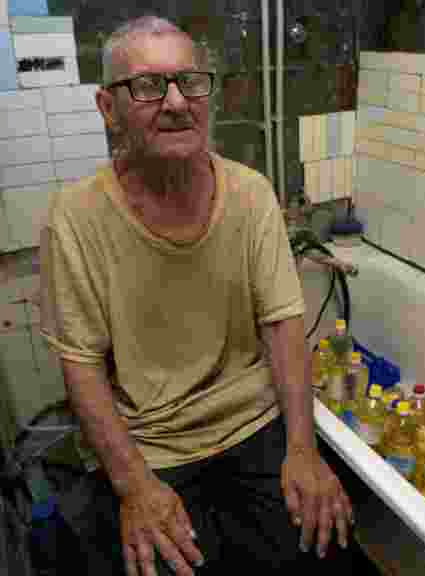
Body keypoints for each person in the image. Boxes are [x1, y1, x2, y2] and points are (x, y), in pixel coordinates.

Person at [39, 15, 354, 576]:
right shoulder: (76, 217)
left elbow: (282, 326)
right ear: (107, 108)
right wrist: (134, 486)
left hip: (252, 425)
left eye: (191, 82)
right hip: (151, 445)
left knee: (321, 547)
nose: (178, 102)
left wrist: (303, 450)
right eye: (148, 86)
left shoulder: (251, 194)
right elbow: (81, 364)